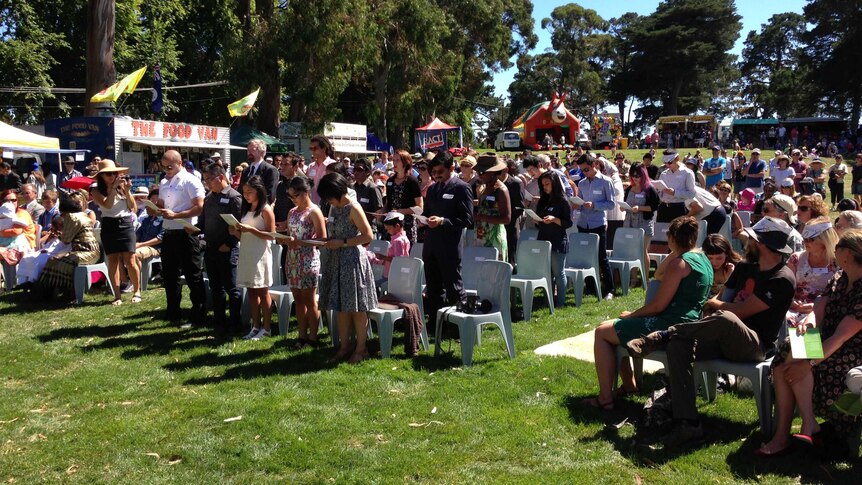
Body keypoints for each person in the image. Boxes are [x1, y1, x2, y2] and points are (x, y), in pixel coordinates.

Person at [627, 216, 796, 447]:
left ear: (762, 244)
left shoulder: (782, 278)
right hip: (720, 335)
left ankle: (666, 333)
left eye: (752, 240)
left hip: (754, 345)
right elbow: (721, 297)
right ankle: (688, 423)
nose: (747, 242)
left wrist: (715, 305)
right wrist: (714, 303)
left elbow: (741, 311)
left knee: (726, 318)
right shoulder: (746, 267)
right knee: (679, 345)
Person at [587, 216, 713, 410]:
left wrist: (631, 315)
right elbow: (660, 275)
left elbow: (657, 307)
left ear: (671, 238)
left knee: (602, 332)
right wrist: (677, 251)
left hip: (668, 325)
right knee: (610, 327)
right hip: (688, 324)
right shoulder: (703, 259)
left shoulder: (679, 264)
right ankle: (629, 386)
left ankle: (606, 398)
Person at [757, 229, 862, 458]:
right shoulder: (840, 278)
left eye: (838, 248)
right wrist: (809, 322)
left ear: (847, 254)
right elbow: (819, 308)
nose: (834, 252)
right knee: (790, 344)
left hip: (852, 351)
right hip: (829, 341)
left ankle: (785, 434)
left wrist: (810, 364)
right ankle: (806, 425)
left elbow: (842, 337)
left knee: (791, 362)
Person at [317, 173, 378, 363]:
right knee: (341, 306)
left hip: (352, 262)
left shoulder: (354, 207)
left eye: (328, 196)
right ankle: (345, 347)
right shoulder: (334, 208)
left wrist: (342, 243)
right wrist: (328, 240)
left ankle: (361, 349)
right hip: (336, 260)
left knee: (357, 307)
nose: (327, 201)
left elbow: (368, 236)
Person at [423, 151, 474, 331]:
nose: (436, 175)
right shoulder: (433, 188)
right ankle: (436, 325)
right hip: (431, 245)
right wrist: (421, 219)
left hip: (450, 245)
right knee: (433, 287)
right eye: (434, 172)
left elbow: (467, 219)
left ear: (452, 168)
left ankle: (461, 326)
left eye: (440, 171)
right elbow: (427, 212)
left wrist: (443, 221)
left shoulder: (461, 187)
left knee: (454, 286)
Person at [157, 149, 207, 327]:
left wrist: (176, 215)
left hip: (186, 232)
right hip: (169, 232)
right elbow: (162, 204)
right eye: (164, 167)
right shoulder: (164, 182)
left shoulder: (190, 180)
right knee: (170, 275)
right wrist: (156, 208)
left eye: (169, 167)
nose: (166, 170)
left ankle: (198, 314)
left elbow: (199, 207)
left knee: (193, 274)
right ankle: (173, 311)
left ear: (179, 163)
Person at [199, 164, 243, 336]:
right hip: (210, 247)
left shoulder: (234, 197)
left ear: (221, 177)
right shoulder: (209, 197)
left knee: (232, 288)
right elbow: (203, 221)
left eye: (210, 179)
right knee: (216, 288)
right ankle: (219, 321)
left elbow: (238, 225)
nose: (207, 183)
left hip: (227, 249)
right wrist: (195, 229)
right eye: (205, 179)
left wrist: (230, 243)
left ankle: (235, 322)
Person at [281, 176, 326, 348]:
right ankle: (302, 335)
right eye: (290, 196)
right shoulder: (292, 212)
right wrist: (286, 239)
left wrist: (300, 242)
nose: (293, 199)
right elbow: (290, 232)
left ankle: (313, 337)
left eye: (295, 195)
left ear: (306, 192)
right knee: (297, 299)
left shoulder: (314, 211)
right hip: (292, 259)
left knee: (309, 299)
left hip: (308, 260)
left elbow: (322, 240)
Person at [230, 176, 275, 340]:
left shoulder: (265, 209)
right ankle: (255, 326)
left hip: (260, 254)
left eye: (250, 192)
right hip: (247, 252)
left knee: (263, 291)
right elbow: (246, 235)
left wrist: (249, 229)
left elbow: (271, 235)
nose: (246, 195)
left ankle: (267, 327)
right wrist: (237, 232)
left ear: (259, 191)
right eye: (244, 192)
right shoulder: (246, 209)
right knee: (251, 290)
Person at [90, 160, 140, 305]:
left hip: (125, 223)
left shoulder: (122, 187)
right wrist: (113, 188)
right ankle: (117, 295)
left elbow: (133, 208)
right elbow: (107, 204)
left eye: (113, 173)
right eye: (107, 174)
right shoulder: (95, 190)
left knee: (130, 260)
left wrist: (128, 190)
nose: (111, 176)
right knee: (112, 261)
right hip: (109, 224)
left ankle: (137, 291)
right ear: (101, 176)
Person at [32, 197, 101, 301]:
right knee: (53, 260)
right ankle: (58, 292)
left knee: (56, 261)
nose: (61, 215)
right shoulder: (83, 215)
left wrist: (57, 235)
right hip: (91, 251)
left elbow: (66, 240)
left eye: (62, 212)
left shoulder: (72, 217)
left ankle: (60, 293)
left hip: (85, 252)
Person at [574, 153, 616, 300]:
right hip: (583, 223)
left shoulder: (606, 181)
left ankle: (610, 289)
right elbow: (581, 202)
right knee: (585, 257)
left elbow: (611, 204)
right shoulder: (582, 183)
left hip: (597, 223)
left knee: (601, 257)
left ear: (594, 166)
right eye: (581, 171)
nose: (584, 173)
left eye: (586, 169)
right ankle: (590, 287)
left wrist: (595, 205)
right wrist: (577, 205)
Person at [785, 218, 838, 326]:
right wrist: (790, 301)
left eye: (811, 239)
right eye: (805, 238)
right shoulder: (796, 258)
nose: (806, 242)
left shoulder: (839, 263)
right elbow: (785, 287)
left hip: (822, 311)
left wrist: (818, 306)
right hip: (792, 309)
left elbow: (840, 295)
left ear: (825, 239)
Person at [535, 171, 573, 308]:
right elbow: (540, 218)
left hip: (557, 240)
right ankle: (549, 300)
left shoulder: (562, 200)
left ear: (554, 184)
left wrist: (554, 219)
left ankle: (560, 302)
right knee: (547, 273)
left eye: (547, 184)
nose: (545, 187)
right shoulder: (543, 199)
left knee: (558, 273)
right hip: (544, 238)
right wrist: (537, 219)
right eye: (543, 184)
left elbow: (568, 223)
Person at [469, 155, 510, 261]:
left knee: (494, 273)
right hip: (481, 236)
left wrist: (480, 217)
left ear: (492, 173)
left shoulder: (501, 190)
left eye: (482, 172)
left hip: (494, 238)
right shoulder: (484, 188)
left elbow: (506, 218)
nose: (479, 175)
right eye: (478, 172)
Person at [623, 162, 660, 270]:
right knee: (632, 250)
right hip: (629, 222)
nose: (635, 178)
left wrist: (639, 208)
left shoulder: (649, 189)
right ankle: (634, 277)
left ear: (643, 175)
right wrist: (624, 207)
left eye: (638, 176)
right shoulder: (629, 189)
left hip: (644, 222)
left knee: (642, 250)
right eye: (633, 176)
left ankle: (645, 278)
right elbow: (626, 202)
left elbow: (654, 207)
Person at [384, 150, 423, 245]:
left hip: (407, 226)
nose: (394, 163)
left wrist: (400, 211)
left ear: (406, 162)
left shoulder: (412, 181)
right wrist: (381, 211)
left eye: (398, 160)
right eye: (393, 160)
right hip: (391, 226)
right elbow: (388, 203)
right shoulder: (390, 181)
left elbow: (420, 208)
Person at [367, 211, 410, 282]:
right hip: (393, 273)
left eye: (389, 229)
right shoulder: (400, 238)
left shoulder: (398, 241)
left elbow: (398, 260)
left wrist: (382, 257)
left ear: (397, 226)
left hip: (394, 275)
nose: (388, 231)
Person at [656, 149, 696, 223]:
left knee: (677, 233)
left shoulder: (687, 173)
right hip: (663, 207)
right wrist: (658, 190)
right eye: (665, 163)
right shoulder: (663, 174)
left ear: (677, 158)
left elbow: (692, 194)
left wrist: (675, 192)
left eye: (670, 162)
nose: (667, 165)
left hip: (678, 207)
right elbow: (660, 191)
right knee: (661, 232)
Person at [133, 189, 163, 283]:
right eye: (152, 199)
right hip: (142, 245)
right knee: (122, 252)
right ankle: (125, 280)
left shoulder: (164, 218)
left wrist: (140, 245)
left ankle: (135, 282)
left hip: (156, 248)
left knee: (134, 254)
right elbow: (138, 234)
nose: (155, 202)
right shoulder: (147, 219)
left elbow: (160, 239)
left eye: (157, 199)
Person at [240, 139, 279, 204]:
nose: (249, 152)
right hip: (246, 211)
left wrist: (255, 208)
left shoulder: (270, 170)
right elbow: (240, 191)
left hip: (261, 210)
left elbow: (270, 195)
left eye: (252, 150)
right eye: (248, 150)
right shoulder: (246, 171)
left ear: (262, 152)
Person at [702, 234, 741, 299]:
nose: (714, 262)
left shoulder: (738, 266)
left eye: (719, 258)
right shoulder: (702, 265)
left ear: (726, 254)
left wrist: (730, 279)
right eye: (710, 258)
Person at [352, 158, 383, 237]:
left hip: (369, 231)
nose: (355, 172)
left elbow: (379, 212)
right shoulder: (351, 188)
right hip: (353, 231)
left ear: (368, 172)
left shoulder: (373, 188)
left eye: (359, 170)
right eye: (354, 169)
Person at [306, 135, 336, 205]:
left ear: (324, 148)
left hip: (327, 204)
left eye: (315, 148)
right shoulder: (310, 166)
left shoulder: (333, 165)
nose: (313, 151)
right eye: (311, 148)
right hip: (312, 205)